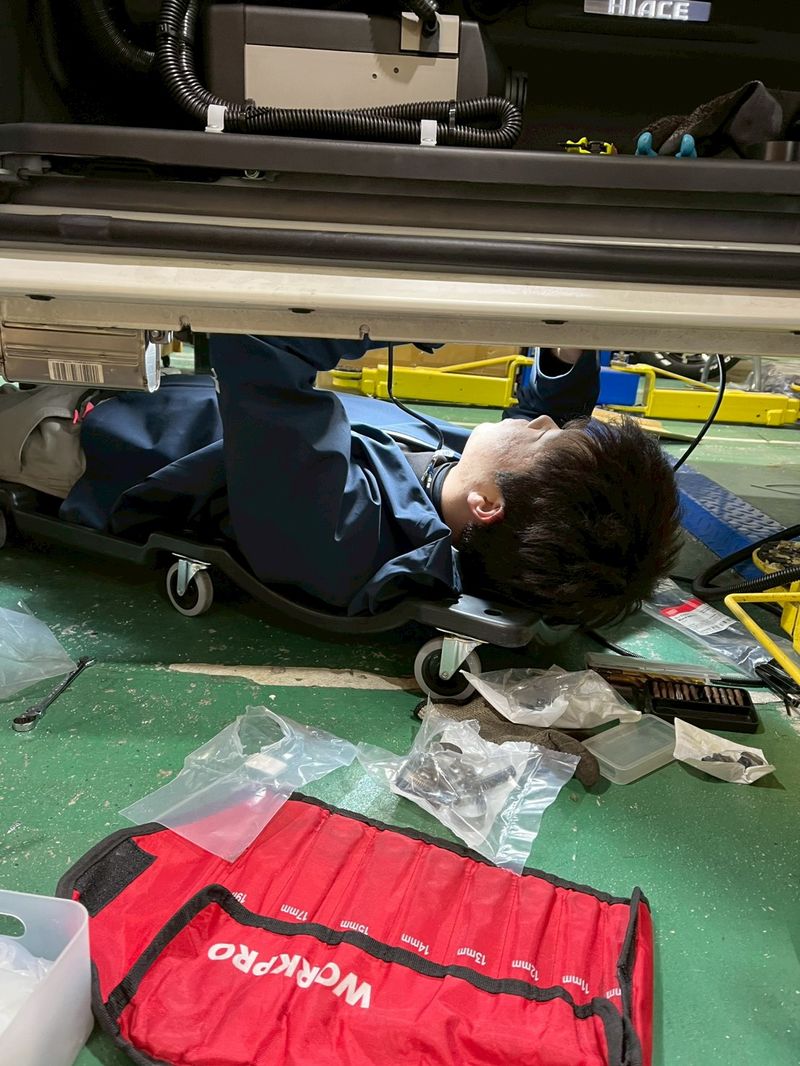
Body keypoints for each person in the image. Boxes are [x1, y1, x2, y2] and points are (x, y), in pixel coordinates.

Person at [2, 336, 681, 625]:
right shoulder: (470, 495)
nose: (540, 422)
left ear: (488, 504)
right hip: (167, 393)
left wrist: (417, 307)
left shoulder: (336, 534)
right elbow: (548, 436)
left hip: (84, 430)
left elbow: (259, 344)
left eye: (545, 435)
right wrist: (564, 350)